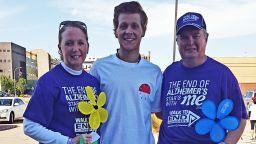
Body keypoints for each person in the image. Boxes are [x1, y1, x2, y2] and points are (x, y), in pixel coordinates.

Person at [158, 12, 248, 144]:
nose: (190, 42)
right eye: (184, 37)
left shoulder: (222, 74)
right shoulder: (169, 72)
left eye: (196, 36)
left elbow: (239, 118)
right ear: (177, 41)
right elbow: (161, 113)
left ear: (206, 38)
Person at [89, 1, 162, 144]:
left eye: (135, 26)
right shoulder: (99, 68)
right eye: (123, 26)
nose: (129, 31)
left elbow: (159, 115)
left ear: (143, 31)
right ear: (116, 31)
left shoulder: (154, 72)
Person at [23, 20, 100, 144]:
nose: (76, 48)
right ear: (60, 48)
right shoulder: (48, 81)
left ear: (87, 47)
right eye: (69, 43)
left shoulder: (93, 82)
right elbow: (30, 126)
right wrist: (68, 141)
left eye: (80, 43)